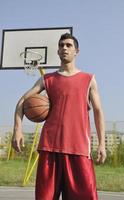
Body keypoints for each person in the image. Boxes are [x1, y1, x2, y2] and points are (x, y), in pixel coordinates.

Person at [12, 33, 106, 200]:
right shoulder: (47, 79)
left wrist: (102, 144)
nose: (64, 48)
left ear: (77, 51)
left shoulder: (88, 79)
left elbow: (98, 112)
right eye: (61, 45)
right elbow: (22, 102)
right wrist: (17, 130)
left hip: (79, 149)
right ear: (57, 51)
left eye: (69, 45)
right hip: (50, 148)